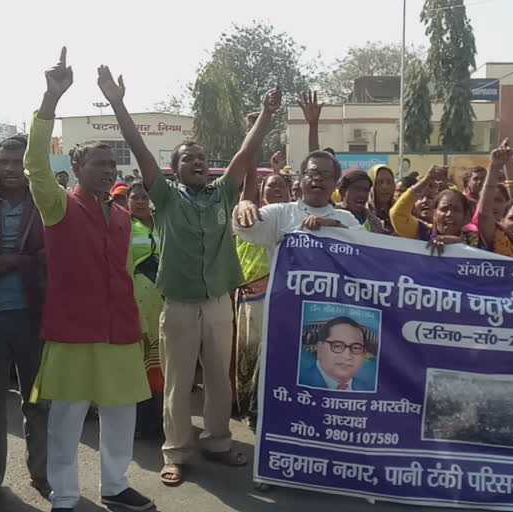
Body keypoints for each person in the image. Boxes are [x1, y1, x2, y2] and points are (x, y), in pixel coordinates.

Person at [97, 65, 281, 487]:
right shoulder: (164, 198)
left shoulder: (223, 193)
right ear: (173, 170)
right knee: (179, 383)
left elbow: (244, 155)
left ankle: (217, 441)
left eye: (201, 159)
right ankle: (176, 451)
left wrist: (266, 115)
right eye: (187, 159)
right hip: (177, 306)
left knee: (219, 380)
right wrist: (117, 102)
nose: (197, 162)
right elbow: (139, 147)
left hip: (218, 303)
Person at [25, 48, 152, 512]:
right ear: (76, 168)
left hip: (118, 330)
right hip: (73, 331)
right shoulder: (58, 206)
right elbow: (36, 165)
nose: (107, 169)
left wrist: (136, 324)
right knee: (67, 417)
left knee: (121, 414)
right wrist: (50, 98)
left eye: (110, 165)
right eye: (97, 163)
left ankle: (115, 486)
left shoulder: (122, 217)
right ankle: (64, 496)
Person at [0, 135, 50, 511]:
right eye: (4, 161)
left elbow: (52, 253)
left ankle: (42, 473)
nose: (10, 169)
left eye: (18, 162)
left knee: (37, 400)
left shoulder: (44, 203)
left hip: (32, 315)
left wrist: (17, 261)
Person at [234, 173, 290, 427]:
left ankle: (270, 408)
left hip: (284, 297)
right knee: (250, 352)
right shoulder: (251, 219)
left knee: (277, 355)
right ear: (261, 191)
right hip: (250, 295)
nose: (277, 188)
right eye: (271, 185)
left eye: (281, 185)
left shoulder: (294, 219)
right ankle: (249, 407)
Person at [233, 150, 362, 251]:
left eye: (326, 174)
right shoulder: (279, 213)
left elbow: (368, 248)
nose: (318, 178)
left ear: (335, 184)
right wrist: (243, 207)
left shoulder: (347, 219)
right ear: (300, 180)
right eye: (312, 172)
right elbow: (248, 230)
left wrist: (336, 227)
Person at [127, 182, 164, 440]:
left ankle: (162, 421)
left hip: (164, 299)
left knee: (162, 361)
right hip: (136, 300)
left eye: (144, 197)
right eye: (135, 197)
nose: (140, 201)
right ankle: (140, 423)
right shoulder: (122, 225)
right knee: (138, 362)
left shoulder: (164, 224)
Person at [390, 166, 480, 254]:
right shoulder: (421, 232)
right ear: (434, 214)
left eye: (456, 210)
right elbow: (397, 214)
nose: (449, 214)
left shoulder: (473, 239)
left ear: (465, 216)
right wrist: (427, 179)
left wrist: (457, 242)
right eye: (444, 209)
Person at [298, 317, 377, 392]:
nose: (347, 356)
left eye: (356, 348)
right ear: (320, 349)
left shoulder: (366, 388)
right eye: (337, 346)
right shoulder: (301, 379)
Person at [337, 169, 387, 233]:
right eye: (356, 189)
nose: (362, 194)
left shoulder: (374, 222)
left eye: (366, 190)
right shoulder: (331, 215)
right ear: (342, 191)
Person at [367, 164, 395, 231]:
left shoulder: (399, 211)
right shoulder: (364, 212)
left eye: (389, 182)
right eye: (380, 182)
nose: (385, 187)